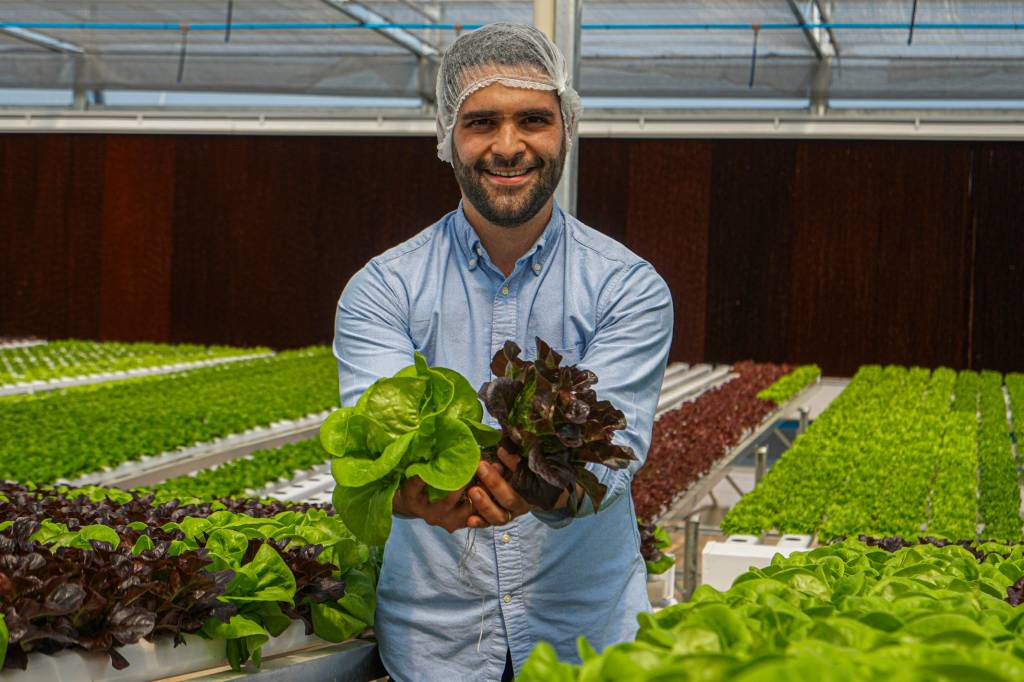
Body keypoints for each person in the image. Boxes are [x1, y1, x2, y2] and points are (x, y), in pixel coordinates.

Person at [333, 22, 673, 682]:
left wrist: (530, 489)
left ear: (567, 128)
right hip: (436, 647)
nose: (509, 145)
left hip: (588, 645)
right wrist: (412, 493)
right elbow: (374, 450)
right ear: (447, 135)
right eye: (481, 121)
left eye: (534, 120)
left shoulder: (627, 288)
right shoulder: (383, 290)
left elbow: (610, 458)